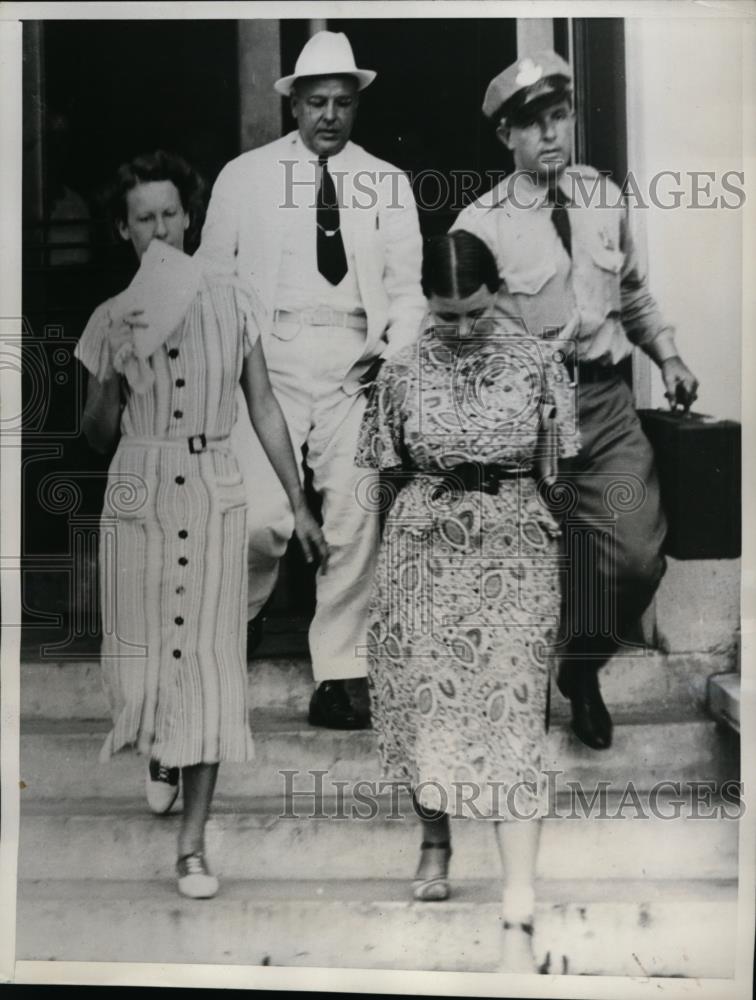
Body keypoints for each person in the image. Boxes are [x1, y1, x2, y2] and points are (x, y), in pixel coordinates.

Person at [75, 151, 326, 899]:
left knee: (212, 666)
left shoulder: (235, 299)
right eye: (143, 219)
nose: (160, 230)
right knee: (146, 663)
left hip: (213, 484)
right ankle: (160, 751)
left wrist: (298, 497)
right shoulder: (108, 317)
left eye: (169, 214)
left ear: (189, 217)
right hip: (140, 490)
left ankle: (193, 847)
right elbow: (96, 436)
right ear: (125, 231)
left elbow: (264, 405)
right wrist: (113, 372)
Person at [453, 50, 699, 750]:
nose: (552, 135)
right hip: (528, 418)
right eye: (533, 125)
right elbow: (460, 331)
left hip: (606, 406)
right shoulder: (481, 225)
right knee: (526, 563)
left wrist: (670, 356)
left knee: (633, 557)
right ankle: (510, 716)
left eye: (559, 117)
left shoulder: (603, 198)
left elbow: (634, 297)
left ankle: (581, 667)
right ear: (507, 137)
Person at [355, 230, 578, 973]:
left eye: (473, 313)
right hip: (424, 545)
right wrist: (385, 578)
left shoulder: (540, 362)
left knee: (514, 708)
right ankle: (436, 838)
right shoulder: (398, 370)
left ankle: (519, 899)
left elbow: (558, 473)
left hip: (515, 544)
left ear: (496, 297)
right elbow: (387, 470)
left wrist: (556, 559)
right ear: (426, 300)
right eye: (444, 314)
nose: (458, 329)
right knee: (430, 703)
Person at [198, 30, 425, 730]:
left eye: (343, 103)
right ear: (293, 104)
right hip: (268, 365)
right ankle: (241, 618)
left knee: (355, 514)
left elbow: (409, 290)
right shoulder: (246, 176)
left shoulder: (386, 181)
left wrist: (390, 362)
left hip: (353, 367)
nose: (330, 115)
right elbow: (211, 278)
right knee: (262, 515)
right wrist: (232, 366)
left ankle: (339, 669)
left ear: (356, 106)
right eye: (316, 101)